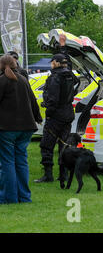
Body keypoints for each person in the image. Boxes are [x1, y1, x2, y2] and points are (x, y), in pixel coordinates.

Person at [0, 55, 42, 204]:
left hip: (7, 128)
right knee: (21, 161)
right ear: (15, 64)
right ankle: (24, 197)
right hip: (27, 127)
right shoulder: (24, 79)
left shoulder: (2, 81)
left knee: (7, 162)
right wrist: (38, 118)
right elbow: (33, 100)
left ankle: (8, 198)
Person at [34, 53, 77, 183]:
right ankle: (63, 175)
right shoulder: (70, 75)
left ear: (56, 63)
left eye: (52, 62)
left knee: (46, 145)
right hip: (68, 114)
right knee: (64, 145)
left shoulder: (55, 77)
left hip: (56, 116)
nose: (51, 64)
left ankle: (48, 175)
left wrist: (48, 111)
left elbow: (53, 99)